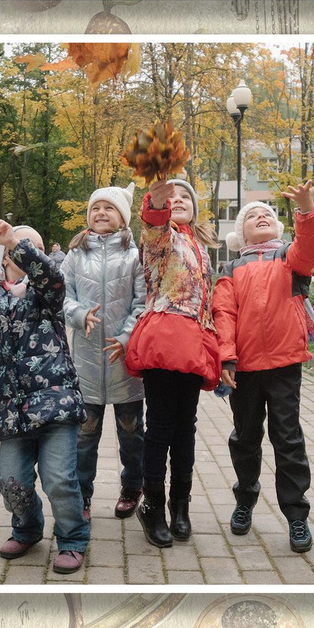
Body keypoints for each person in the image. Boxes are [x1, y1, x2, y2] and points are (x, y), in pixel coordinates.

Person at [213, 183, 314, 554]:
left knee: (288, 439)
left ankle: (296, 515)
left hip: (284, 364)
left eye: (267, 215)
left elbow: (310, 244)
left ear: (278, 229)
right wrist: (226, 357)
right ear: (240, 233)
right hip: (243, 369)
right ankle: (245, 499)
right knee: (245, 438)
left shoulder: (289, 259)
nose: (261, 217)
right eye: (251, 216)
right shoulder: (232, 268)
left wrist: (306, 209)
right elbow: (224, 314)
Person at [0, 220, 88, 574]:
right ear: (1, 257)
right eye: (16, 248)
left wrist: (17, 242)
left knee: (58, 478)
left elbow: (52, 277)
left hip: (55, 402)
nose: (26, 252)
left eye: (32, 247)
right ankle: (26, 528)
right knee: (11, 480)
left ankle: (72, 538)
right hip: (11, 409)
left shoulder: (47, 294)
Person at [118, 174, 218, 548]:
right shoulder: (164, 239)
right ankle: (153, 506)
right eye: (170, 199)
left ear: (195, 210)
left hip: (193, 343)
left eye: (184, 199)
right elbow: (154, 228)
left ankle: (181, 504)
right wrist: (156, 205)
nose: (177, 201)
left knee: (185, 427)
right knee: (159, 426)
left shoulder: (201, 247)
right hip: (164, 340)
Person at [59, 187, 143, 524]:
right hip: (86, 365)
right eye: (96, 208)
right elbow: (61, 296)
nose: (102, 213)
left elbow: (143, 302)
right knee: (84, 436)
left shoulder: (134, 256)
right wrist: (79, 315)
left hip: (124, 363)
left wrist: (126, 337)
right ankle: (82, 496)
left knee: (132, 432)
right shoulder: (75, 255)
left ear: (123, 216)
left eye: (110, 207)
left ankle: (132, 487)